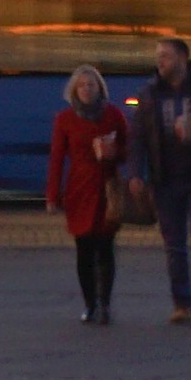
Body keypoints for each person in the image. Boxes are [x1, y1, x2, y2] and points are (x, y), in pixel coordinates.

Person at [130, 35, 191, 324]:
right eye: (158, 55)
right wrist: (136, 173)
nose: (159, 61)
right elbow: (136, 138)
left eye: (166, 55)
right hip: (165, 179)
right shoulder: (150, 93)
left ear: (183, 59)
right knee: (173, 243)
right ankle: (181, 303)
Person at [44, 67, 130, 325]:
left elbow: (130, 147)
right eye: (81, 86)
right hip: (79, 188)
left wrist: (114, 152)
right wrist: (52, 195)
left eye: (91, 85)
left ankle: (105, 303)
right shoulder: (65, 119)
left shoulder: (113, 114)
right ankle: (89, 304)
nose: (86, 90)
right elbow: (57, 158)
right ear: (74, 90)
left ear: (99, 88)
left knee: (105, 247)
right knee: (84, 249)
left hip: (107, 187)